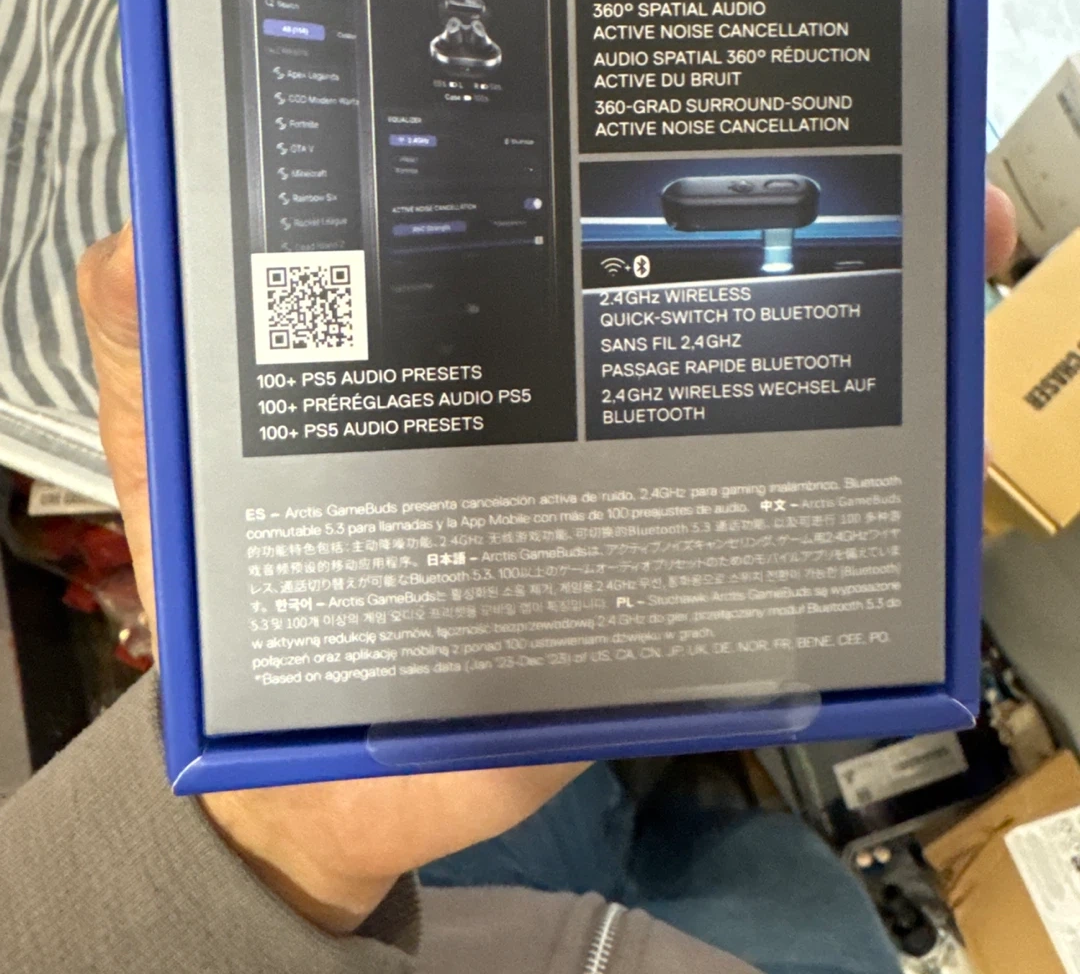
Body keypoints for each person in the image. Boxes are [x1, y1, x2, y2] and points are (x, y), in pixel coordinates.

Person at [0, 189, 1016, 974]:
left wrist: (267, 846)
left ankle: (666, 775)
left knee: (711, 819)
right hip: (708, 930)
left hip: (423, 894)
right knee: (798, 890)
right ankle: (675, 777)